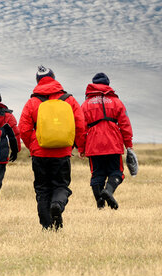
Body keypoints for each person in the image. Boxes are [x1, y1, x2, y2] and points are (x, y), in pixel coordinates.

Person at [19, 66, 86, 230]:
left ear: (37, 81)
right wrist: (80, 146)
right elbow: (80, 125)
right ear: (54, 78)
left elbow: (24, 129)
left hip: (40, 153)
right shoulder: (69, 100)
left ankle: (47, 226)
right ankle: (57, 205)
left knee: (42, 190)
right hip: (62, 152)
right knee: (61, 186)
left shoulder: (32, 102)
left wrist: (33, 146)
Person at [79, 72, 133, 210]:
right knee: (117, 172)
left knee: (97, 174)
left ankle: (100, 204)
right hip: (113, 143)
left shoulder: (85, 105)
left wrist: (81, 148)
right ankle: (108, 191)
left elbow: (80, 128)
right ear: (108, 85)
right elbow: (125, 125)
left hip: (93, 145)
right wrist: (129, 145)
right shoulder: (117, 102)